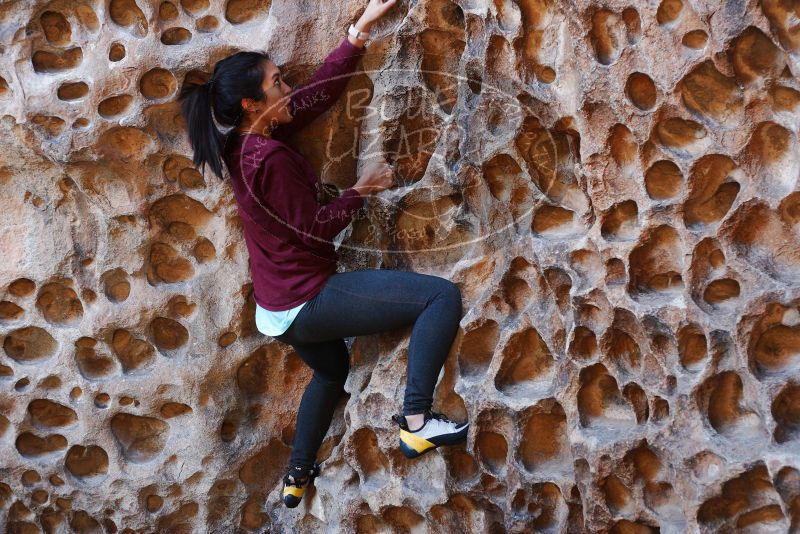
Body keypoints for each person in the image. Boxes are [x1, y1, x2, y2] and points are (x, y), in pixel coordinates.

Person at [179, 0, 468, 509]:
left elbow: (315, 99)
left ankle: (295, 477)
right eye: (277, 83)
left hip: (278, 312)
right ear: (251, 103)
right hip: (310, 301)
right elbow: (315, 231)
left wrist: (359, 32)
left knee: (332, 372)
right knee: (439, 298)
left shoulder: (246, 145)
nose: (287, 88)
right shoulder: (269, 160)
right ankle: (418, 422)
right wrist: (363, 188)